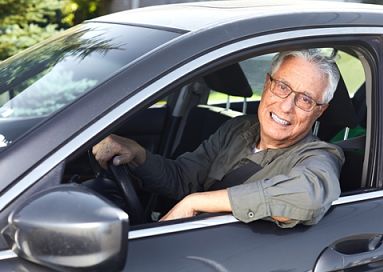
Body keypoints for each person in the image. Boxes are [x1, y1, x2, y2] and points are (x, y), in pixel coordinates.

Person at [92, 49, 344, 228]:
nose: (287, 106)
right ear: (267, 84)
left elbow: (309, 197)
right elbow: (183, 178)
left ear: (320, 110)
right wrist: (138, 155)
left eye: (305, 100)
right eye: (282, 87)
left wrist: (196, 202)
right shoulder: (238, 129)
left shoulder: (319, 155)